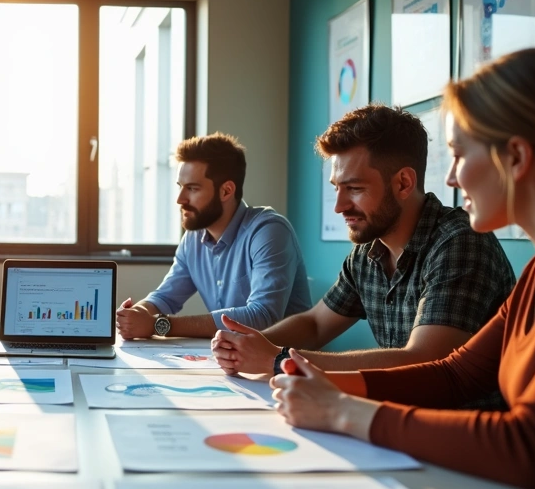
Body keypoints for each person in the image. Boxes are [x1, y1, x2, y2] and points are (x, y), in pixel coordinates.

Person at [268, 48, 535, 489]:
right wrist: (330, 383)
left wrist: (343, 411)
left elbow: (531, 446)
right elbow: (456, 373)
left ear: (515, 156)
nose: (450, 178)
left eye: (459, 154)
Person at [212, 105, 514, 386]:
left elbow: (424, 360)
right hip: (399, 413)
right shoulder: (368, 251)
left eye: (355, 189)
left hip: (464, 425)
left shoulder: (458, 243)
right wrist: (250, 344)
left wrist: (278, 360)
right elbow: (316, 324)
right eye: (337, 189)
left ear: (404, 183)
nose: (340, 206)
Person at [116, 133, 312, 340]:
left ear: (226, 191)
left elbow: (262, 317)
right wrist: (138, 314)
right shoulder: (193, 239)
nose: (180, 199)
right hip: (233, 359)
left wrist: (159, 325)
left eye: (192, 188)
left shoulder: (269, 231)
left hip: (287, 364)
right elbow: (165, 297)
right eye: (180, 187)